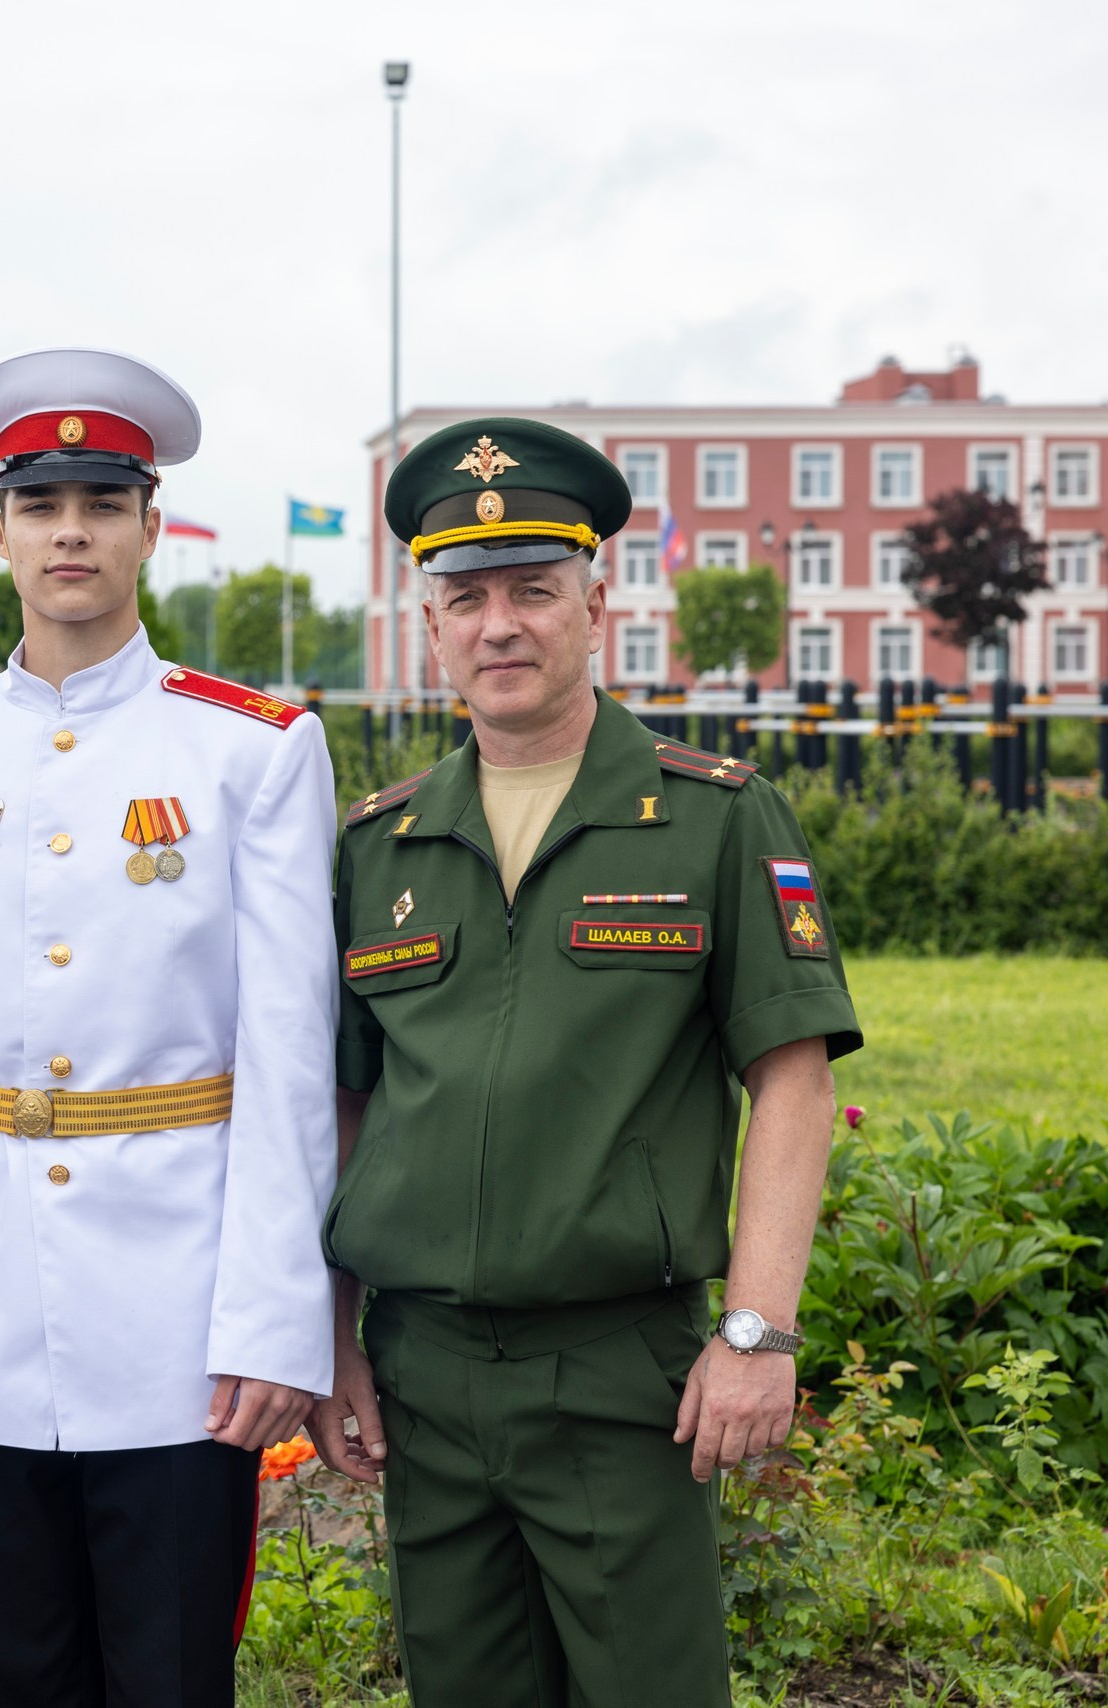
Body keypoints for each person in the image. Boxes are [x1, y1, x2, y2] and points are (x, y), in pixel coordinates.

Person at [311, 417, 862, 1707]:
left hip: (622, 1378)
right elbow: (343, 1104)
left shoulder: (715, 816)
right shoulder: (380, 847)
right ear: (430, 622)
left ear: (595, 602)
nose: (498, 624)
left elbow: (792, 1078)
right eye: (465, 596)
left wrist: (759, 1331)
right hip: (425, 1377)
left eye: (531, 590)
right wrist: (329, 1340)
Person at [0, 347, 340, 1708]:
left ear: (150, 530)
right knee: (9, 1671)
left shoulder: (252, 750)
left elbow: (292, 1058)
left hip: (184, 1312)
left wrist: (275, 1320)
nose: (73, 529)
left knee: (173, 1675)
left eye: (104, 502)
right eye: (43, 501)